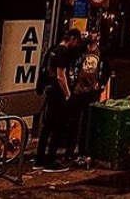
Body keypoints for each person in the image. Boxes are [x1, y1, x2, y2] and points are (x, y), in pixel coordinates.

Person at [35, 28, 82, 172]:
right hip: (58, 93)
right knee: (57, 126)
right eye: (76, 41)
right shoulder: (63, 52)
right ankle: (51, 161)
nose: (76, 44)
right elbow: (61, 76)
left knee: (47, 127)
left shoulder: (53, 49)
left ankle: (39, 159)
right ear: (72, 39)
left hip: (50, 91)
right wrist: (68, 93)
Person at [65, 30, 111, 166]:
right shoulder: (81, 50)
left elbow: (107, 69)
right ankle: (69, 150)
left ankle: (82, 151)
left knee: (87, 122)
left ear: (99, 36)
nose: (91, 35)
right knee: (73, 121)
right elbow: (72, 59)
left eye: (94, 33)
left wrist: (101, 83)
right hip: (78, 90)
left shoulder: (101, 52)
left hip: (92, 91)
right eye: (90, 32)